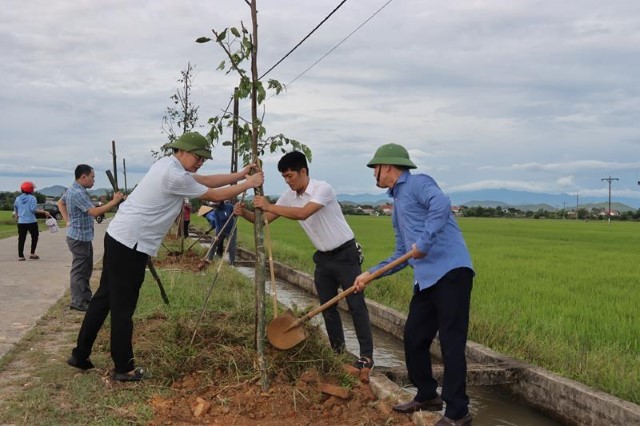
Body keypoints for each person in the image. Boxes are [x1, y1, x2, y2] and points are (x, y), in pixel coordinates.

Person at [66, 132, 263, 381]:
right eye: (197, 156)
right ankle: (123, 368)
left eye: (204, 158)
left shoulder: (168, 165)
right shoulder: (173, 175)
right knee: (122, 306)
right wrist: (249, 183)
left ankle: (80, 355)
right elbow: (212, 194)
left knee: (104, 298)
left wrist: (240, 174)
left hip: (121, 237)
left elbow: (206, 180)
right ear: (181, 151)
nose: (200, 162)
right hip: (131, 243)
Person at [353, 143, 474, 426]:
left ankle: (458, 411)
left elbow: (441, 204)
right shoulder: (397, 206)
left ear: (389, 167)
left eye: (376, 169)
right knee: (414, 336)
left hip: (451, 272)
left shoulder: (418, 183)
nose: (374, 174)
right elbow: (401, 255)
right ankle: (428, 393)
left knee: (451, 342)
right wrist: (370, 273)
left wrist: (425, 241)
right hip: (427, 279)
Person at [234, 151, 374, 371]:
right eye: (284, 178)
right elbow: (264, 221)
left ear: (303, 171)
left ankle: (366, 357)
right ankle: (338, 353)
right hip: (323, 258)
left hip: (346, 255)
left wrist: (268, 205)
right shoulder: (289, 196)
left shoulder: (322, 189)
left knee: (356, 306)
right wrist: (245, 213)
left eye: (290, 176)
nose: (288, 181)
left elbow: (303, 213)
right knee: (328, 308)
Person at [57, 164, 125, 312]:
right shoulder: (77, 192)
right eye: (92, 177)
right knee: (80, 270)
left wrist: (67, 221)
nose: (93, 180)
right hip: (79, 237)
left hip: (82, 236)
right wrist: (114, 202)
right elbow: (94, 212)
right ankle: (78, 301)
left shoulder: (74, 189)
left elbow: (60, 203)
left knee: (86, 268)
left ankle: (85, 299)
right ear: (83, 177)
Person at [13, 181, 51, 261]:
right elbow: (33, 210)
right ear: (30, 189)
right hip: (31, 221)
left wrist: (17, 217)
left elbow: (16, 210)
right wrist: (44, 212)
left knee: (21, 238)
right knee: (34, 237)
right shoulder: (32, 198)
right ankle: (32, 253)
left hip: (21, 222)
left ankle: (21, 256)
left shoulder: (17, 198)